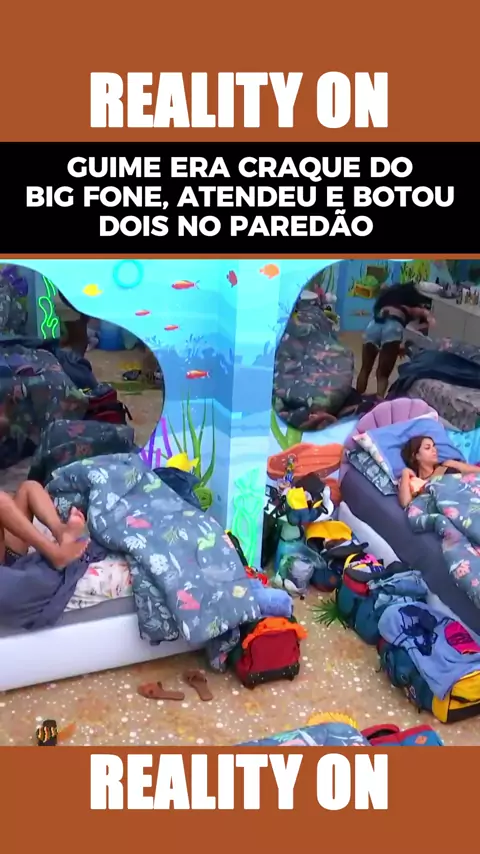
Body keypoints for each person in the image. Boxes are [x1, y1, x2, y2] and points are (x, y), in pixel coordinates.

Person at [356, 281, 434, 398]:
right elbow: (427, 318)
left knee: (365, 369)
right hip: (392, 328)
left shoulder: (385, 301)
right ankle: (378, 402)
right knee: (383, 375)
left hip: (373, 326)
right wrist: (427, 322)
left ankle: (356, 399)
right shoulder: (411, 306)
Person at [0, 480, 90, 569]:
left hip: (9, 552)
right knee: (1, 500)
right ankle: (54, 554)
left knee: (30, 486)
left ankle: (61, 533)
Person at [398, 435, 480, 507]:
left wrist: (457, 465)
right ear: (416, 456)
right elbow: (406, 503)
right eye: (427, 448)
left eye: (434, 446)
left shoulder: (448, 464)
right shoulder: (416, 483)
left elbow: (477, 472)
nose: (434, 450)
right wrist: (405, 473)